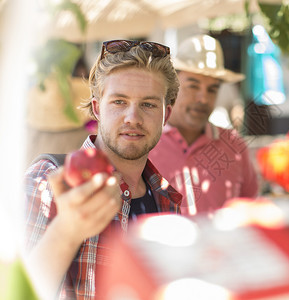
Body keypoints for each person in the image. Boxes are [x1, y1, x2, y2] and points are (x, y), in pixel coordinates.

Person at [23, 39, 182, 299]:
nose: (133, 117)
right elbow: (14, 290)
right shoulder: (49, 179)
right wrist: (67, 231)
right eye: (119, 102)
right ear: (97, 108)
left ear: (166, 114)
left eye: (148, 104)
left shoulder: (167, 199)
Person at [148, 34, 259, 215]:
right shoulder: (145, 143)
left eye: (212, 89)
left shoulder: (234, 146)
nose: (203, 98)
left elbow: (251, 211)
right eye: (193, 86)